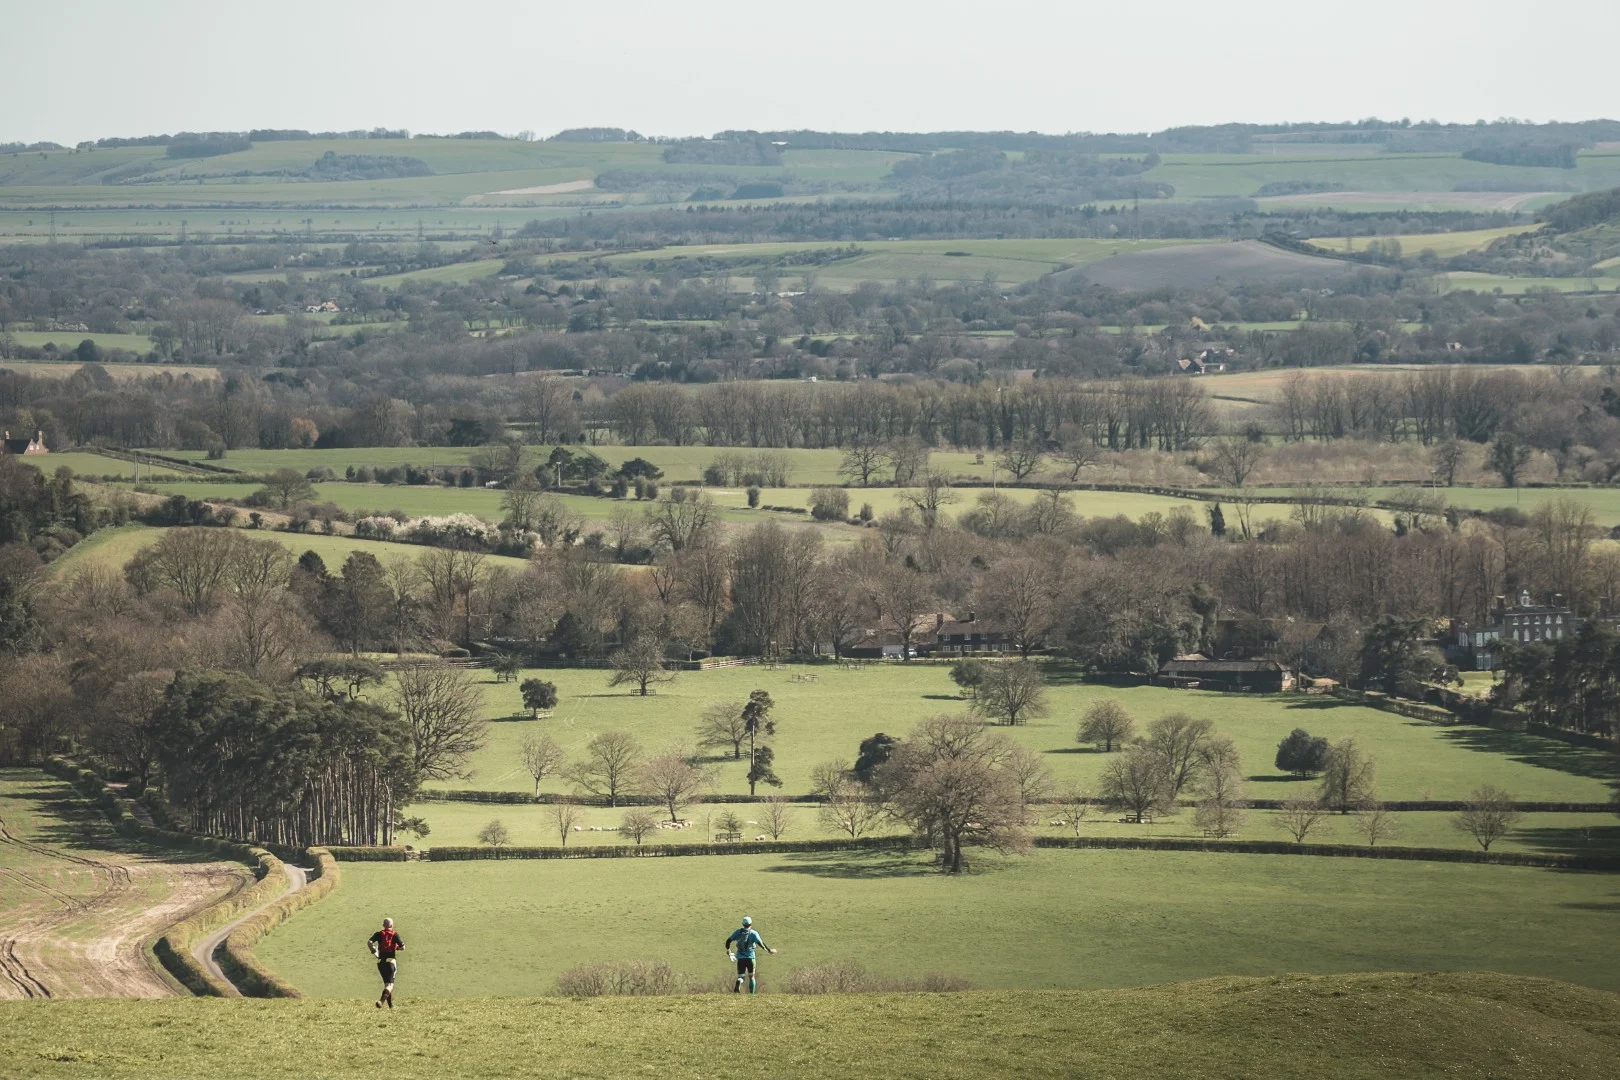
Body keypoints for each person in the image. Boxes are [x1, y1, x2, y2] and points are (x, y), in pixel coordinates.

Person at [723, 915, 775, 994]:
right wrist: (768, 950)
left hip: (740, 958)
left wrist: (729, 950)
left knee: (741, 977)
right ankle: (752, 995)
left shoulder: (738, 932)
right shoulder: (754, 933)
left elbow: (728, 941)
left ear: (742, 924)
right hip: (751, 958)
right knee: (752, 977)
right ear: (751, 924)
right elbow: (761, 944)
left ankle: (739, 982)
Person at [367, 917, 405, 1008]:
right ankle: (381, 1001)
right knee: (390, 985)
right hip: (390, 961)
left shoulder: (379, 934)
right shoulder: (394, 934)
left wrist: (373, 950)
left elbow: (369, 942)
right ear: (392, 925)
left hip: (380, 962)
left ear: (383, 925)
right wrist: (397, 948)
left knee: (387, 984)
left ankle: (391, 1006)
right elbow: (403, 947)